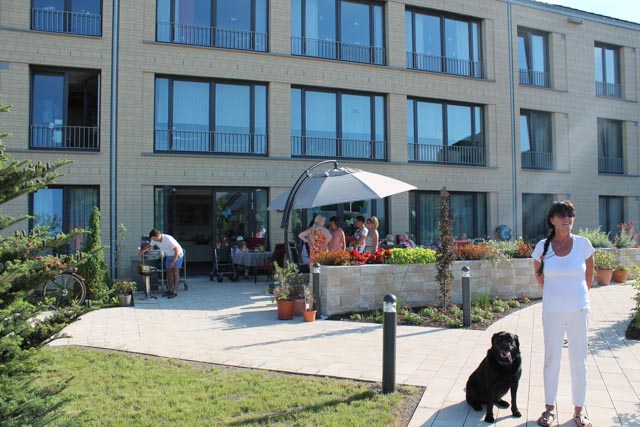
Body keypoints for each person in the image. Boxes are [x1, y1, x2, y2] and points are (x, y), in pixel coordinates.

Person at [531, 201, 595, 427]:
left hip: (579, 310)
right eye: (562, 215)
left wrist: (577, 298)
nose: (567, 219)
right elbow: (540, 277)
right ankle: (549, 408)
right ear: (552, 220)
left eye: (570, 215)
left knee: (579, 360)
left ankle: (579, 411)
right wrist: (556, 296)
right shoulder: (542, 247)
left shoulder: (583, 244)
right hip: (552, 311)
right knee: (552, 359)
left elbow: (589, 277)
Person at [140, 228, 184, 298]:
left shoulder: (168, 239)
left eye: (154, 238)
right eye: (152, 239)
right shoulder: (155, 240)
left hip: (177, 255)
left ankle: (175, 291)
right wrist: (142, 251)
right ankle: (170, 290)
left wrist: (173, 261)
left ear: (158, 235)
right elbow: (149, 246)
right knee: (169, 272)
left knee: (175, 272)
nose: (153, 240)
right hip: (169, 255)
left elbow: (177, 250)